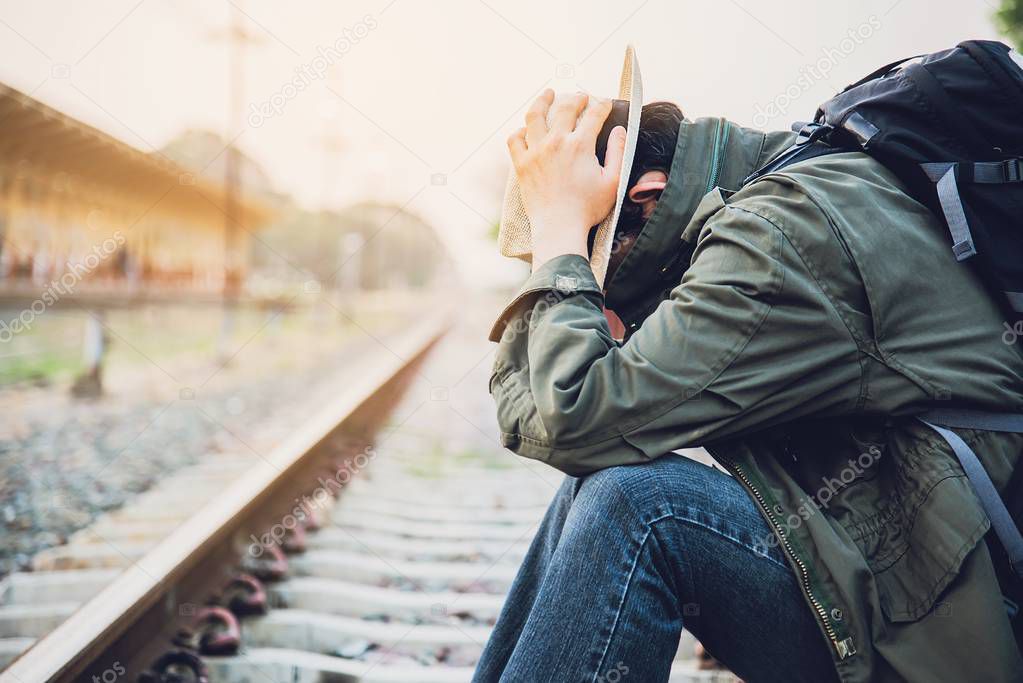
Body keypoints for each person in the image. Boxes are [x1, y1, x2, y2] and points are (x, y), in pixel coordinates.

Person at [473, 79, 1023, 681]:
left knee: (639, 506)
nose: (602, 298)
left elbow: (571, 416)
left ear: (649, 193)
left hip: (961, 628)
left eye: (599, 258)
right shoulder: (799, 186)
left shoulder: (776, 237)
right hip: (916, 572)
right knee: (596, 490)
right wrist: (560, 244)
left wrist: (559, 240)